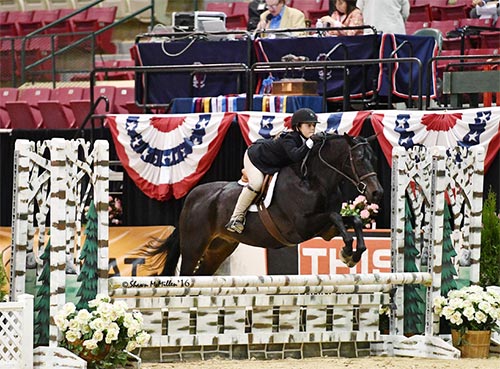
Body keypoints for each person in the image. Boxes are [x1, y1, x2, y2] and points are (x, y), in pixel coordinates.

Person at [226, 108, 319, 234]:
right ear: (298, 127)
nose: (312, 128)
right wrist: (311, 142)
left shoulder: (305, 140)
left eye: (313, 125)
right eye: (308, 125)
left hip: (273, 162)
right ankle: (236, 218)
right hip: (256, 157)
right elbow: (296, 156)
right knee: (256, 184)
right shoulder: (290, 138)